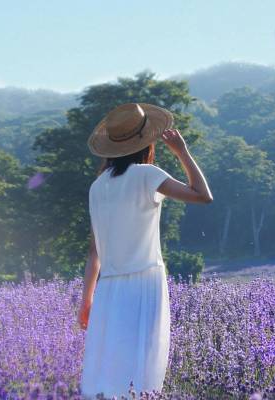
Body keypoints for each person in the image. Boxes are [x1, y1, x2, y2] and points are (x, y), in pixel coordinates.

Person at [77, 103, 213, 398]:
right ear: (145, 142)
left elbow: (93, 252)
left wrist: (86, 299)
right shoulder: (147, 175)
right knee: (144, 368)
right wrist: (182, 152)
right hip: (144, 282)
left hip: (109, 289)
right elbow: (203, 196)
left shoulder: (97, 187)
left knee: (109, 370)